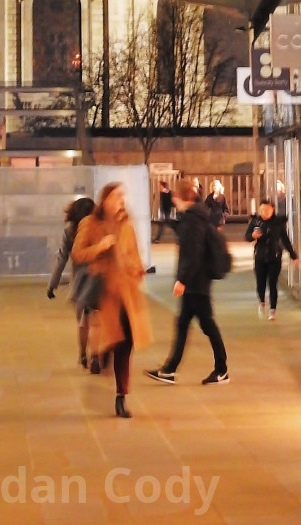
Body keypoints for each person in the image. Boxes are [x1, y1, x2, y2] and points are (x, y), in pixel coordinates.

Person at [72, 183, 151, 418]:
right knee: (114, 339)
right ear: (105, 199)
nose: (121, 200)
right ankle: (102, 354)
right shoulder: (90, 223)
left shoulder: (127, 224)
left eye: (123, 196)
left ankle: (121, 396)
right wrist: (100, 247)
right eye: (117, 196)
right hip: (105, 293)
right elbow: (77, 253)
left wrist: (138, 268)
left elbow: (134, 255)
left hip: (126, 293)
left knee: (126, 345)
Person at [146, 178, 229, 385]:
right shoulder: (195, 216)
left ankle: (221, 369)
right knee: (185, 322)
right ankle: (170, 369)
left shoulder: (193, 220)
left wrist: (182, 280)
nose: (173, 201)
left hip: (196, 281)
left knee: (206, 324)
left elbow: (193, 253)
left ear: (181, 197)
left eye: (174, 197)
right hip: (198, 280)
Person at [46, 195, 97, 367]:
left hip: (80, 283)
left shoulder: (69, 231)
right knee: (97, 321)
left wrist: (53, 284)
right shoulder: (99, 229)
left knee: (83, 322)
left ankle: (83, 355)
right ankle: (96, 355)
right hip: (98, 280)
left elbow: (61, 258)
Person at [246, 196, 298, 319]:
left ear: (273, 210)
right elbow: (247, 236)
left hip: (274, 257)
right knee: (260, 283)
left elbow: (285, 240)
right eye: (262, 210)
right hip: (260, 256)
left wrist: (293, 255)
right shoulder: (256, 222)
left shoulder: (278, 223)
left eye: (267, 210)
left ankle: (272, 310)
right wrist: (253, 236)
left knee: (273, 283)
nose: (264, 212)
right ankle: (262, 301)